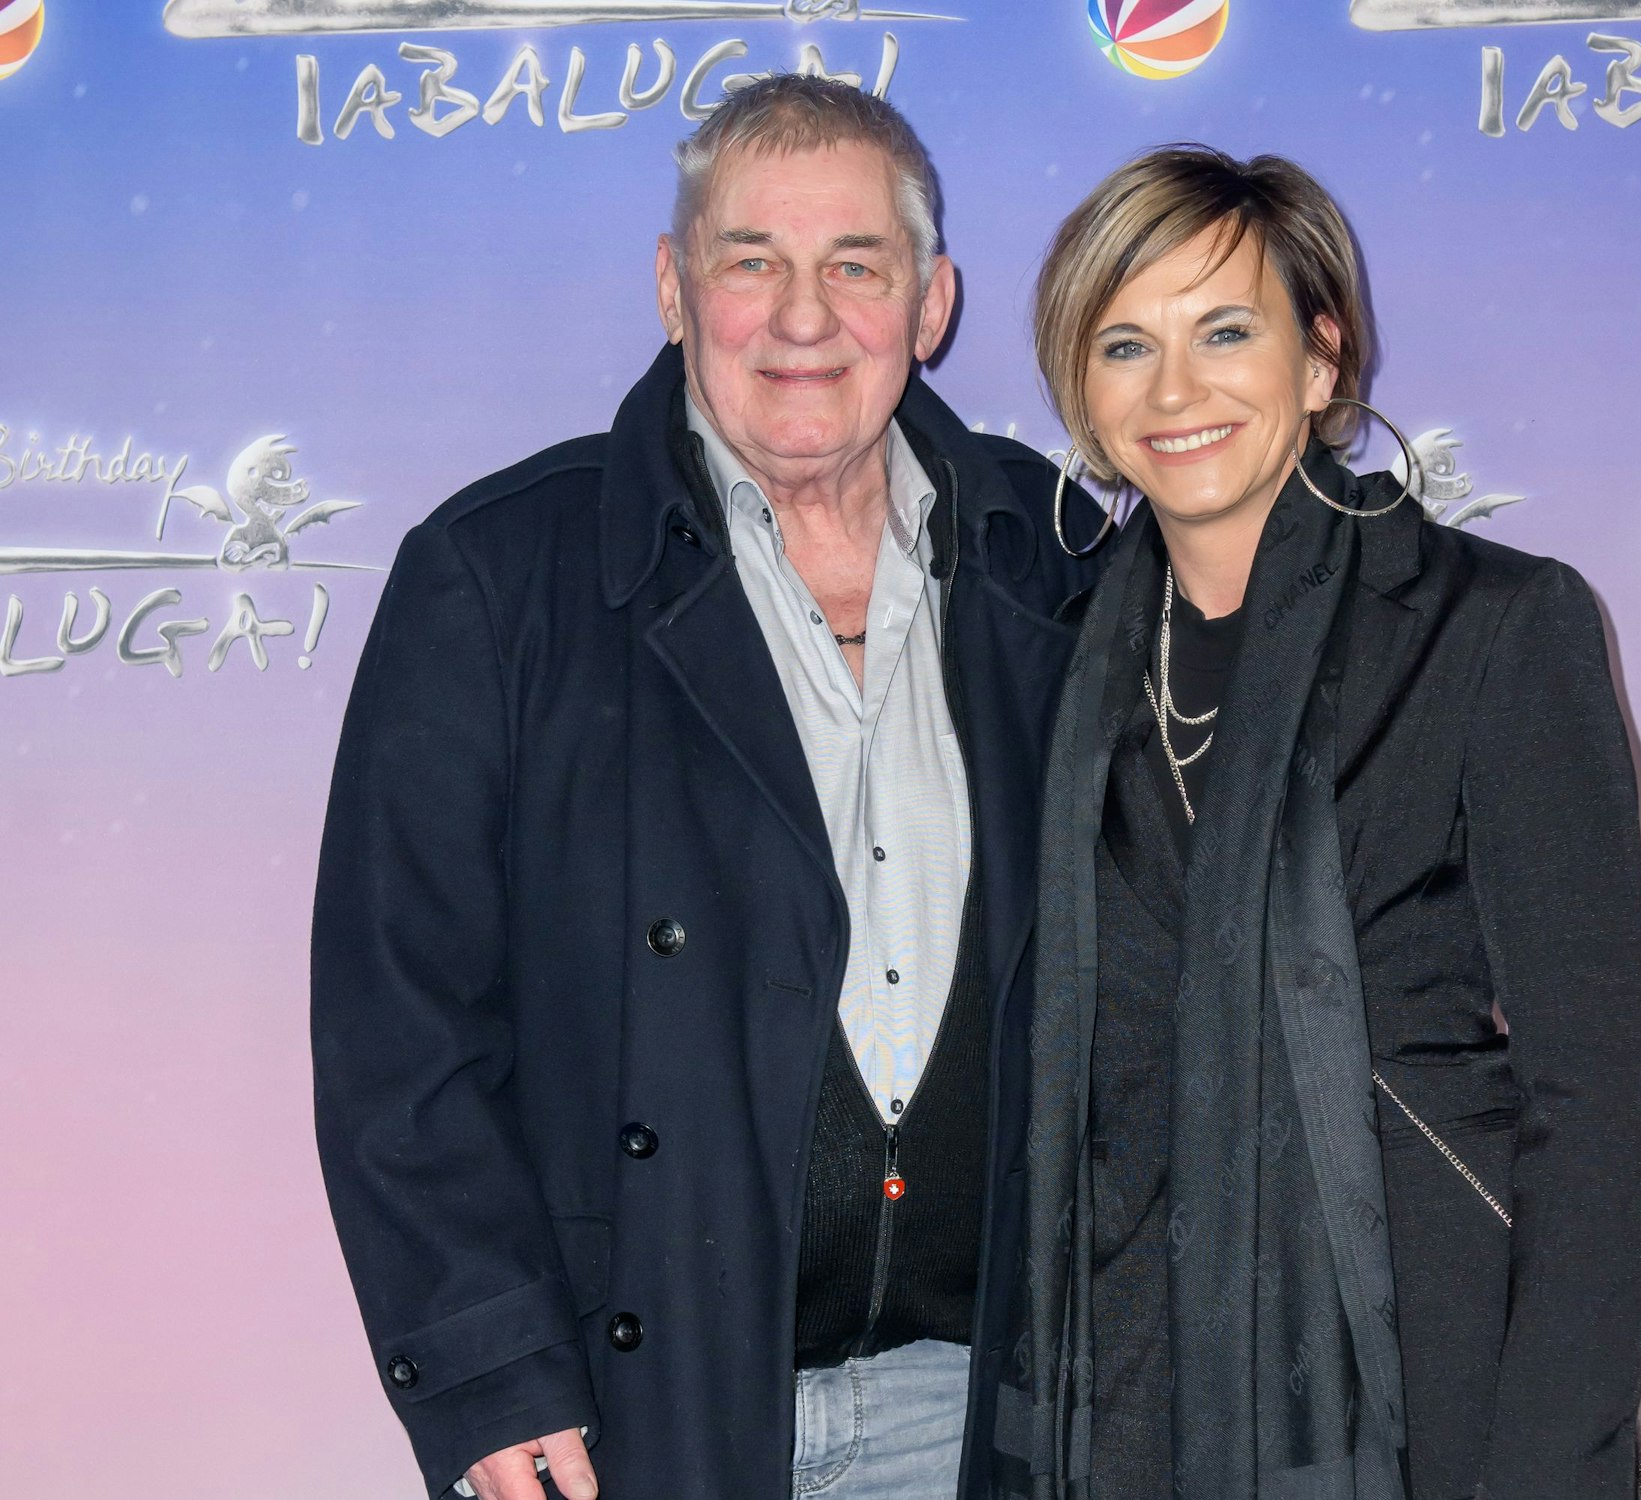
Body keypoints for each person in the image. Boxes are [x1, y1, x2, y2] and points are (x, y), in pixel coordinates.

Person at [311, 76, 1104, 1500]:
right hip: (640, 1416)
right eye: (751, 262)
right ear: (675, 292)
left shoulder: (1052, 559)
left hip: (988, 1413)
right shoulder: (497, 577)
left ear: (931, 306)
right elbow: (400, 1023)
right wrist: (488, 1369)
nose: (803, 318)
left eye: (856, 265)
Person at [997, 145, 1641, 1500]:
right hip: (1125, 1396)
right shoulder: (1053, 669)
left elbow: (1587, 1106)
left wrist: (1554, 1464)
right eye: (1125, 345)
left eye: (1225, 331)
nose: (1174, 391)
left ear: (1321, 355)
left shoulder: (1493, 628)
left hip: (1428, 1382)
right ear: (1081, 392)